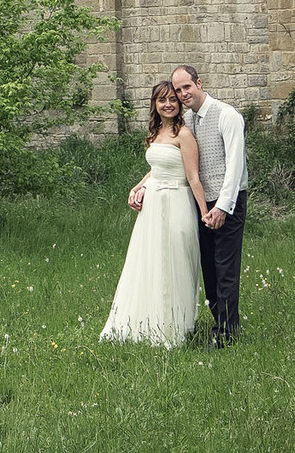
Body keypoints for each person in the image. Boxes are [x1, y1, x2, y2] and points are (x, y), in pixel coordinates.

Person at [100, 79, 207, 347]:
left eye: (173, 99)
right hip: (153, 206)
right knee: (148, 262)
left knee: (174, 262)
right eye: (162, 100)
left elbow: (193, 176)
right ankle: (146, 319)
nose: (168, 104)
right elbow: (157, 168)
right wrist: (137, 187)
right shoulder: (155, 133)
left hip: (177, 202)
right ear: (155, 105)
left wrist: (205, 213)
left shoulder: (184, 134)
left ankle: (174, 327)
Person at [172, 63, 246, 345]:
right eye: (178, 90)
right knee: (209, 268)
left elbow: (235, 165)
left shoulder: (227, 115)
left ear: (199, 83)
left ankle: (226, 335)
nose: (182, 94)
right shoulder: (187, 121)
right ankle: (221, 321)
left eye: (186, 87)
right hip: (200, 204)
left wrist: (222, 207)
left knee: (226, 267)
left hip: (228, 201)